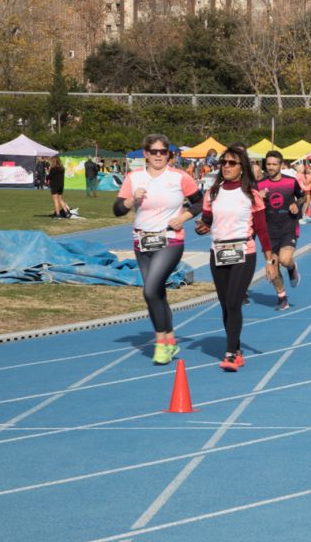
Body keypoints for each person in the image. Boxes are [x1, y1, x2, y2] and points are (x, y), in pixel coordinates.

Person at [114, 134, 202, 364]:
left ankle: (161, 342)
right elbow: (117, 209)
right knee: (158, 293)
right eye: (154, 151)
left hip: (170, 239)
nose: (158, 156)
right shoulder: (134, 177)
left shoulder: (179, 177)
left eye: (163, 152)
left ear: (169, 155)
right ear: (145, 153)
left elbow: (200, 202)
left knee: (150, 291)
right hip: (142, 241)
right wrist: (131, 200)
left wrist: (183, 216)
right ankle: (171, 341)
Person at [196, 144, 268, 371]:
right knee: (226, 304)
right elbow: (207, 220)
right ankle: (235, 349)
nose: (226, 167)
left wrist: (270, 260)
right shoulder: (212, 193)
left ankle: (229, 353)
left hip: (243, 252)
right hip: (218, 252)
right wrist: (202, 227)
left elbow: (263, 230)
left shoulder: (251, 195)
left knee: (234, 301)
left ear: (242, 167)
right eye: (223, 163)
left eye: (232, 163)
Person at [257, 150, 306, 312]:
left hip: (288, 227)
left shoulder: (291, 182)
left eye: (274, 164)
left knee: (285, 260)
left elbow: (302, 196)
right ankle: (282, 297)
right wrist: (258, 197)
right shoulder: (259, 185)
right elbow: (251, 205)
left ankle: (292, 268)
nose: (270, 167)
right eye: (268, 164)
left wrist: (296, 204)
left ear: (281, 165)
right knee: (273, 267)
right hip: (269, 231)